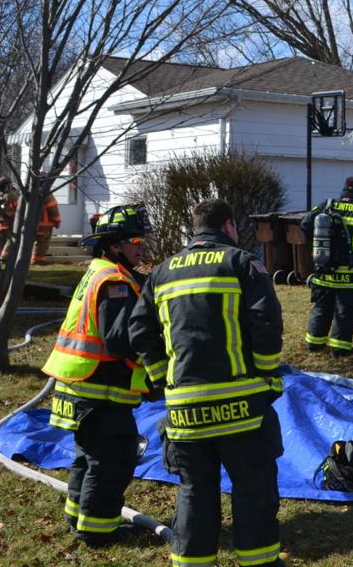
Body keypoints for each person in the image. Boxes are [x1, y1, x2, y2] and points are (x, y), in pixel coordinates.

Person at [128, 199, 285, 567]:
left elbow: (139, 331)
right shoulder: (242, 263)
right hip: (240, 407)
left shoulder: (162, 272)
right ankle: (259, 562)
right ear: (228, 226)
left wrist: (162, 378)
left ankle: (192, 563)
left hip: (184, 411)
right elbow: (266, 321)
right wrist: (264, 374)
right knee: (252, 485)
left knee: (195, 489)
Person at [40, 203, 151, 547]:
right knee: (113, 460)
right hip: (100, 391)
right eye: (134, 239)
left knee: (88, 459)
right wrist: (157, 350)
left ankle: (79, 517)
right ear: (114, 244)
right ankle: (98, 531)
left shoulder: (99, 270)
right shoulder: (115, 281)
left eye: (142, 238)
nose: (141, 245)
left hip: (79, 386)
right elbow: (120, 340)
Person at [300, 176, 353, 357]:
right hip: (351, 277)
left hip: (325, 272)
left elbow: (306, 224)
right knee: (345, 312)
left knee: (322, 308)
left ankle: (314, 345)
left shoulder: (327, 205)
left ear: (344, 189)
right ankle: (339, 349)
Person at [33, 180, 62, 265]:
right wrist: (57, 221)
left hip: (33, 223)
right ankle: (38, 261)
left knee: (33, 242)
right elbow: (53, 209)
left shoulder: (32, 193)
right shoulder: (47, 195)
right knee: (42, 243)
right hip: (44, 225)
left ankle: (33, 259)